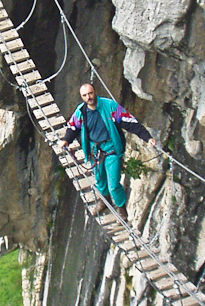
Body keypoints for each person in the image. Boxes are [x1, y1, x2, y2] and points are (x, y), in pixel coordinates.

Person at [59, 83, 156, 218]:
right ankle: (105, 200)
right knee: (99, 180)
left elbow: (129, 122)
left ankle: (121, 207)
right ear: (82, 97)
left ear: (95, 92)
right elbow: (73, 127)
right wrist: (66, 140)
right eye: (85, 95)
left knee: (113, 184)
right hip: (95, 151)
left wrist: (147, 137)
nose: (89, 97)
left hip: (111, 149)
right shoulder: (81, 112)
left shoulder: (109, 106)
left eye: (91, 93)